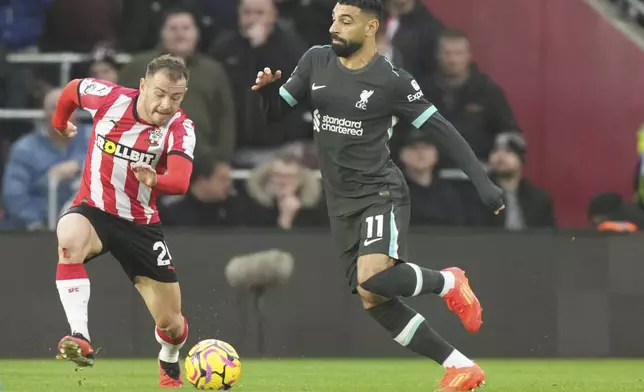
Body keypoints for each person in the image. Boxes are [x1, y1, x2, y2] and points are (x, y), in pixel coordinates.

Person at [251, 1, 504, 391]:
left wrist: (483, 183)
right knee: (373, 297)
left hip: (379, 191)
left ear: (371, 28)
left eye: (346, 21)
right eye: (334, 19)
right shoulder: (315, 60)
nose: (335, 28)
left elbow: (442, 130)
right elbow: (275, 113)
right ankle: (460, 366)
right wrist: (268, 94)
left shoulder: (392, 80)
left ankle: (449, 283)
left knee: (375, 277)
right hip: (340, 202)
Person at [51, 54, 196, 388]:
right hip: (95, 210)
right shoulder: (110, 99)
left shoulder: (180, 128)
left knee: (171, 323)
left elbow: (182, 181)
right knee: (68, 237)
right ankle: (80, 337)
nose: (165, 104)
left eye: (175, 97)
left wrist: (155, 180)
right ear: (143, 86)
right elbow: (73, 89)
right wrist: (60, 123)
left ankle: (169, 358)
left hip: (140, 225)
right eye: (159, 93)